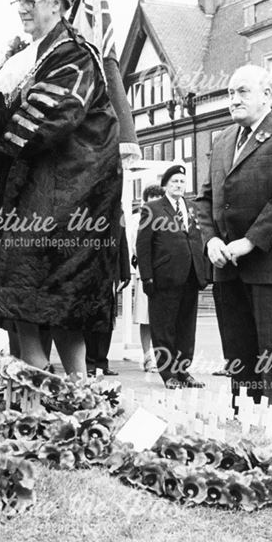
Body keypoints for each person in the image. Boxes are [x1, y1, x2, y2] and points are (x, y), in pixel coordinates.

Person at [0, 0, 122, 378]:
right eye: (17, 0)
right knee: (48, 306)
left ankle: (45, 394)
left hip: (66, 204)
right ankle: (71, 395)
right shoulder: (47, 53)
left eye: (30, 0)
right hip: (51, 199)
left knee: (37, 297)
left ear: (57, 3)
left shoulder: (73, 54)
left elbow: (45, 122)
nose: (21, 8)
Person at [196, 64, 272, 405]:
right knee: (240, 356)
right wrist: (211, 241)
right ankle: (247, 426)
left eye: (242, 92)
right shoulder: (221, 141)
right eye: (230, 93)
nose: (233, 100)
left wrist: (249, 241)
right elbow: (204, 199)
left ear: (268, 94)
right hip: (227, 265)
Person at [136, 163, 207, 388]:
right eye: (174, 181)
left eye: (182, 181)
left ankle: (183, 370)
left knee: (186, 327)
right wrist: (147, 277)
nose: (178, 185)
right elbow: (144, 245)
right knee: (164, 327)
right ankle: (168, 374)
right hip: (164, 278)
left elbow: (197, 239)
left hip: (190, 276)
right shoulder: (152, 208)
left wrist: (203, 270)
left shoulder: (193, 207)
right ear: (165, 184)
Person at [84, 225, 130, 376]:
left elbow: (123, 245)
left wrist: (126, 273)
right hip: (90, 274)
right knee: (90, 319)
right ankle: (89, 362)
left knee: (108, 320)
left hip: (111, 276)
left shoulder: (118, 214)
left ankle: (101, 362)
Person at [129, 186, 161, 373]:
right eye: (151, 199)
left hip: (165, 273)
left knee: (162, 318)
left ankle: (162, 356)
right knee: (145, 317)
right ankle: (147, 356)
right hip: (146, 271)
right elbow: (136, 246)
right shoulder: (136, 220)